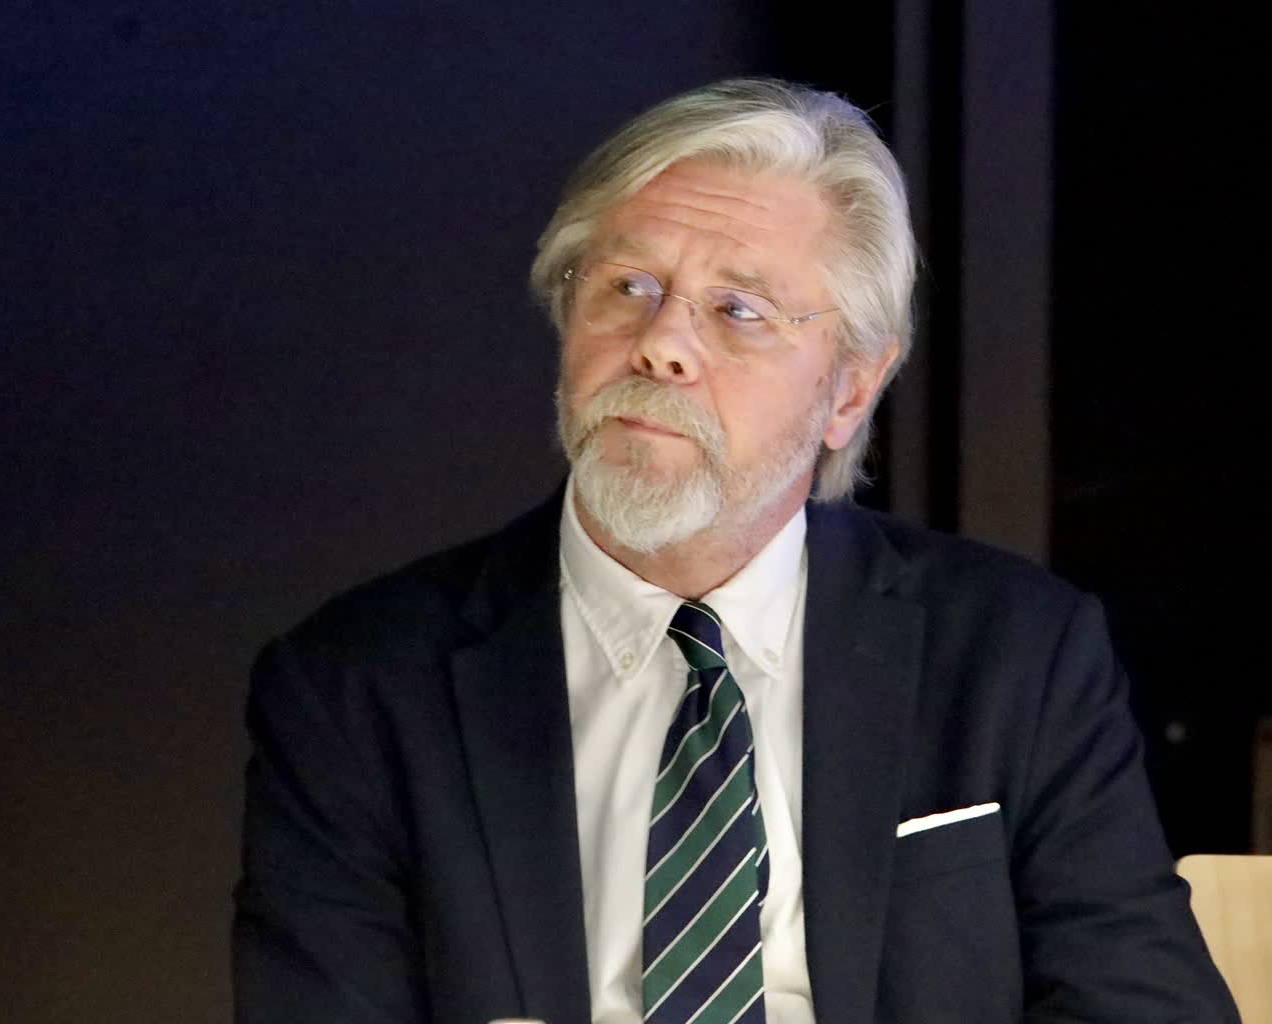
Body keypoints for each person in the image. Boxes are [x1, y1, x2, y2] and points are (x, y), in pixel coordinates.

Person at [232, 79, 1238, 1023]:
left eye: (738, 311)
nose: (662, 344)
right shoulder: (356, 689)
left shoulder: (1017, 652)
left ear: (849, 388)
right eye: (628, 285)